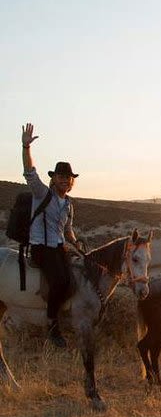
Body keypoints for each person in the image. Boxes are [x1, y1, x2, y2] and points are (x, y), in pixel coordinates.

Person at [21, 123, 79, 348]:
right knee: (59, 281)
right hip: (41, 247)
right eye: (61, 176)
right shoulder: (42, 193)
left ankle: (61, 316)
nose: (65, 180)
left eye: (68, 177)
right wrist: (26, 147)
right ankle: (52, 326)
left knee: (74, 279)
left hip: (59, 246)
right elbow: (29, 172)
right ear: (53, 178)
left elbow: (67, 230)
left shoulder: (68, 203)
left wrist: (76, 242)